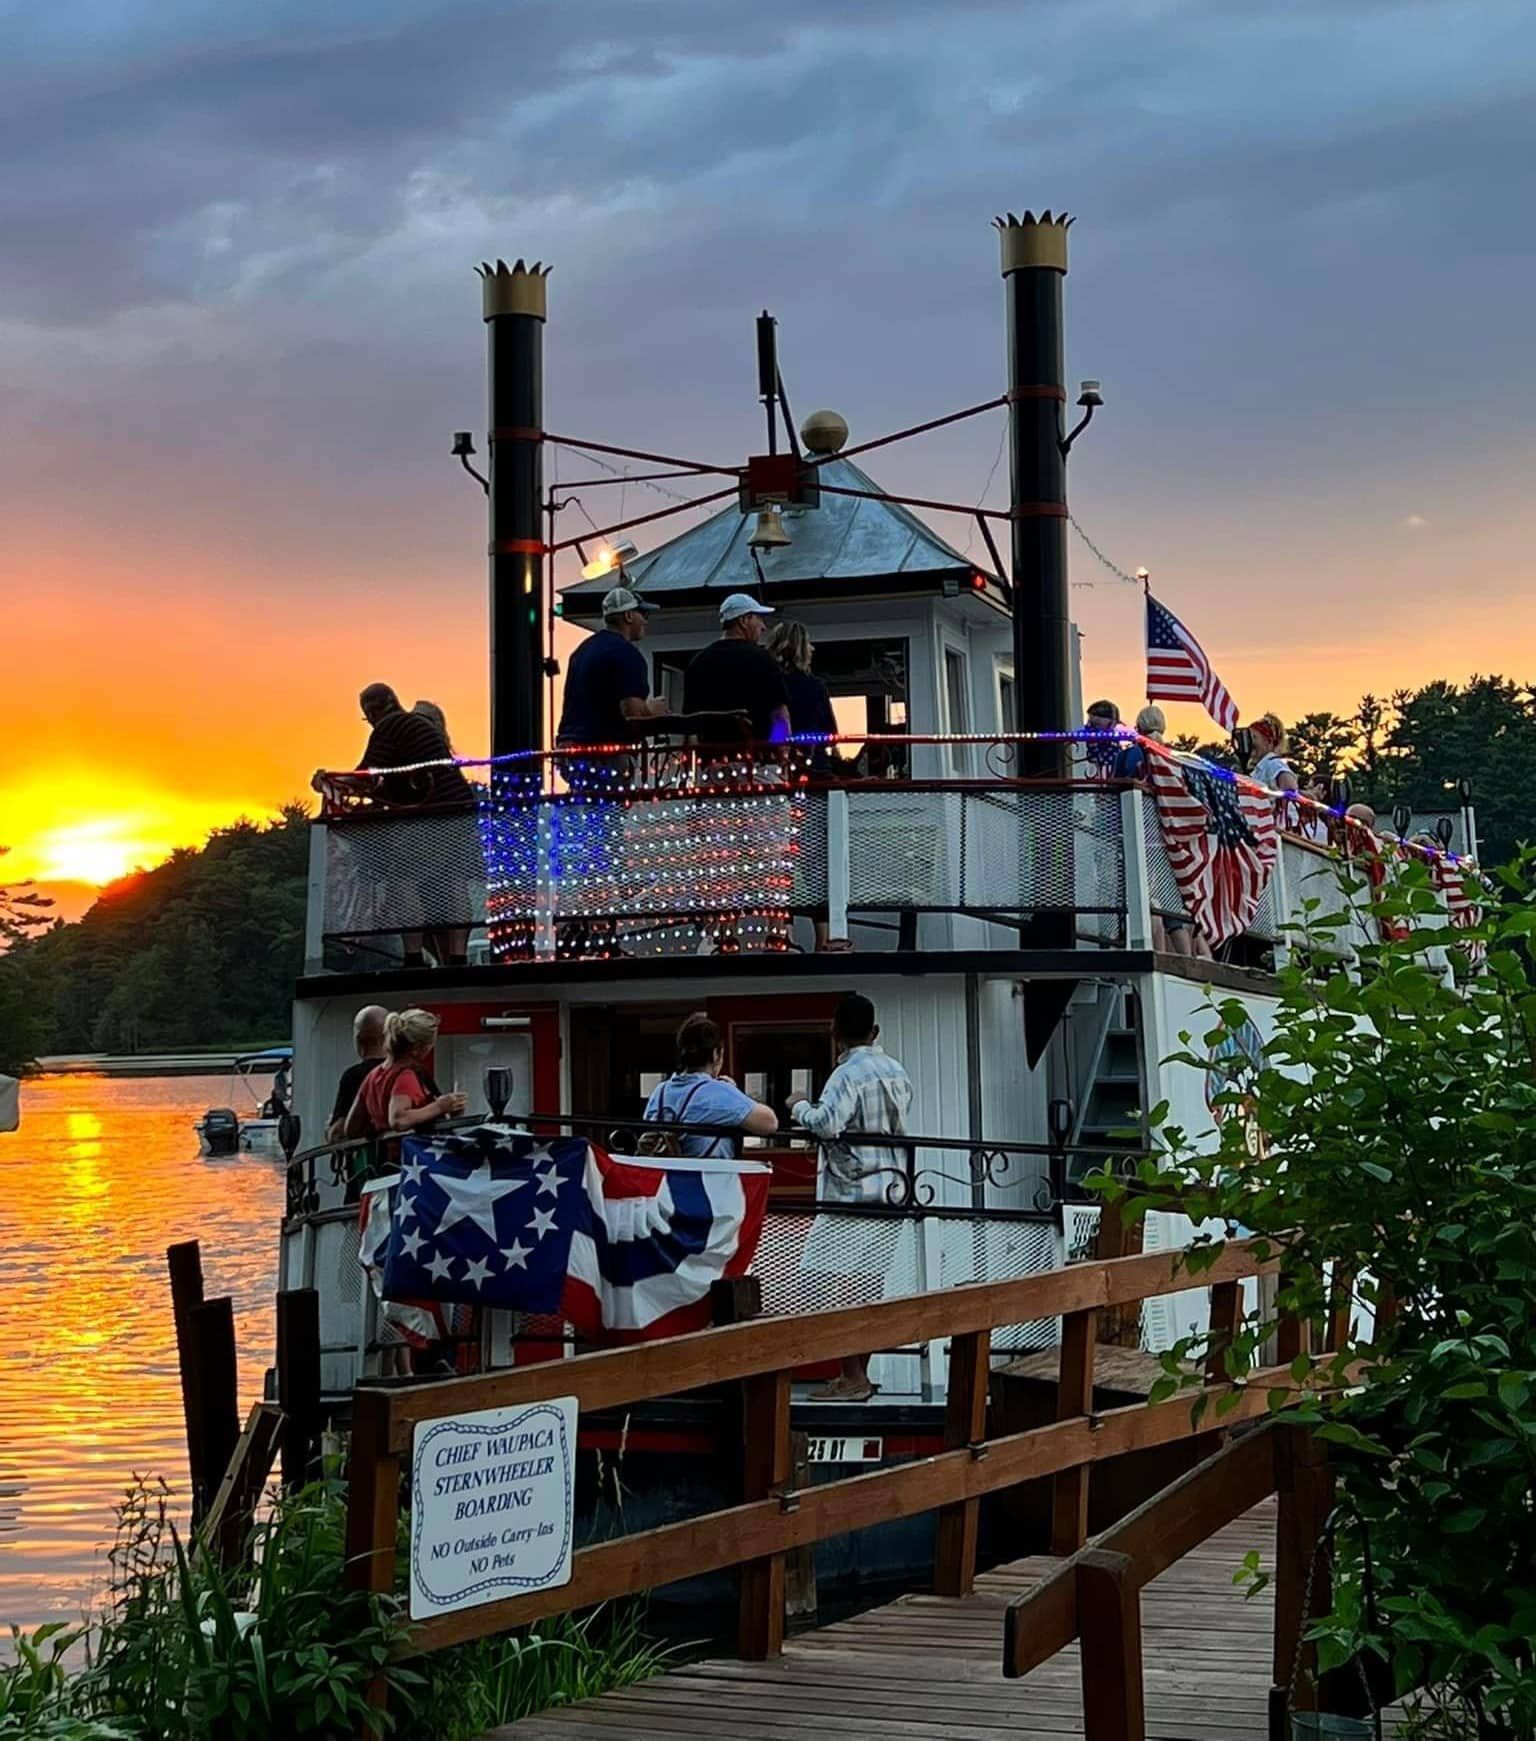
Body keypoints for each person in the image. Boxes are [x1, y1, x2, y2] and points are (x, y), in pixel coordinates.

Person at [791, 994, 914, 1401]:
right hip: (892, 1192)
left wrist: (801, 1108)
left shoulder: (846, 1075)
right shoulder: (896, 1069)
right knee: (868, 1284)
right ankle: (858, 1373)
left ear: (835, 1032)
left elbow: (827, 1124)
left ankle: (852, 1376)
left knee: (824, 1280)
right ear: (875, 1031)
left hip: (850, 1195)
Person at [642, 1013, 777, 1157]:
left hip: (665, 1177)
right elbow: (769, 1123)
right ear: (715, 1054)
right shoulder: (719, 1092)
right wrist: (733, 1091)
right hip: (707, 1176)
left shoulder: (660, 1091)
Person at [555, 586, 669, 748]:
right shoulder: (626, 653)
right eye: (643, 614)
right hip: (605, 752)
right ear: (628, 616)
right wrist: (652, 710)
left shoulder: (581, 651)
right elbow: (632, 713)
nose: (646, 621)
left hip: (568, 749)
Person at [683, 594, 791, 745]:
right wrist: (782, 752)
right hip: (758, 757)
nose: (763, 626)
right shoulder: (762, 659)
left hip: (712, 757)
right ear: (743, 620)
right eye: (759, 618)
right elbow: (779, 713)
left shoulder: (699, 661)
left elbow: (691, 722)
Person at [345, 1008, 467, 1141]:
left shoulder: (372, 1076)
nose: (432, 1047)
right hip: (405, 1156)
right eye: (431, 1043)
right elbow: (398, 1119)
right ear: (417, 1048)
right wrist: (439, 1106)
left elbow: (352, 1129)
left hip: (379, 1158)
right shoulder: (406, 1076)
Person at [766, 620, 839, 770]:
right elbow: (831, 733)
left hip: (774, 767)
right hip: (814, 766)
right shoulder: (816, 686)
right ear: (801, 650)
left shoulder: (767, 683)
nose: (812, 648)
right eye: (808, 644)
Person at [327, 1004, 389, 1145]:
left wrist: (330, 1130)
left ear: (358, 1039)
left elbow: (339, 1132)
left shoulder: (354, 1076)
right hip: (406, 1160)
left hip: (368, 1162)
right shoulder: (412, 1071)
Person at [1081, 699, 1123, 780]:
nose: (1089, 728)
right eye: (1088, 724)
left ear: (1113, 724)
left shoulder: (1118, 755)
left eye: (1096, 725)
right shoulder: (1079, 748)